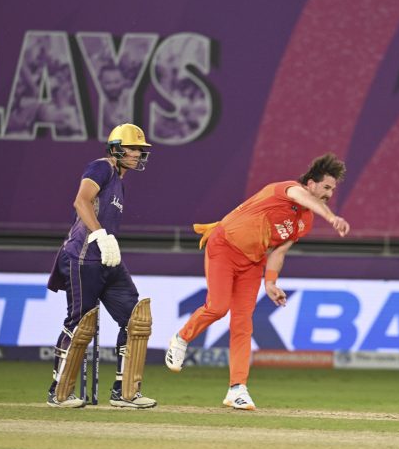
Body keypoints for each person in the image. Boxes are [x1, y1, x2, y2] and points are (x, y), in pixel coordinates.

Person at [165, 153, 350, 410]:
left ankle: (237, 389)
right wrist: (332, 218)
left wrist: (271, 283)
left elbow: (278, 252)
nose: (329, 193)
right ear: (311, 184)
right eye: (326, 187)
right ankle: (181, 338)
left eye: (333, 189)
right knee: (218, 307)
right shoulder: (287, 190)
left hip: (252, 263)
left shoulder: (305, 222)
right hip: (223, 246)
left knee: (243, 324)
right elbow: (302, 198)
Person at [46, 123, 157, 409]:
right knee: (80, 323)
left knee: (136, 319)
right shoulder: (101, 167)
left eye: (140, 150)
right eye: (133, 148)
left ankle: (125, 391)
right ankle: (58, 391)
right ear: (116, 148)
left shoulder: (119, 180)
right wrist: (98, 234)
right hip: (83, 256)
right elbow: (81, 201)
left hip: (107, 259)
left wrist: (106, 242)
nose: (137, 154)